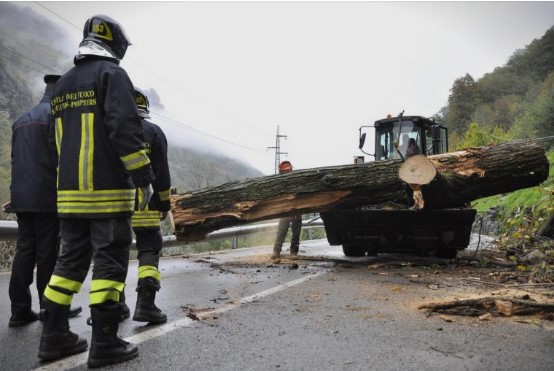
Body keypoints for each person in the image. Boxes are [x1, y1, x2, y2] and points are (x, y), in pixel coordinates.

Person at [38, 15, 155, 368]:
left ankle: (53, 335)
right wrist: (143, 177)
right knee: (109, 261)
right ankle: (105, 341)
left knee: (68, 263)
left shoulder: (62, 85)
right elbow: (124, 130)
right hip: (106, 194)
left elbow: (52, 145)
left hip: (69, 196)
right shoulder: (112, 75)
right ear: (115, 44)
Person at [7, 75, 81, 328]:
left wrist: (16, 196)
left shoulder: (20, 122)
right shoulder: (57, 119)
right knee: (48, 254)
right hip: (47, 198)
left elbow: (17, 163)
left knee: (25, 250)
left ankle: (19, 312)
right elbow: (63, 160)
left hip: (22, 198)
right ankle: (50, 308)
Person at [129, 88, 171, 325]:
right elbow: (161, 174)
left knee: (110, 255)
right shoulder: (153, 132)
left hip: (113, 203)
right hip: (144, 204)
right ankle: (145, 303)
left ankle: (113, 307)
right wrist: (164, 203)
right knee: (149, 248)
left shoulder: (107, 130)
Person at [271, 161, 303, 259]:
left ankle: (293, 251)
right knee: (282, 230)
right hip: (284, 210)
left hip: (296, 208)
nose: (287, 173)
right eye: (285, 171)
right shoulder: (278, 182)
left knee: (296, 231)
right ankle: (276, 251)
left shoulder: (296, 180)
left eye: (288, 171)